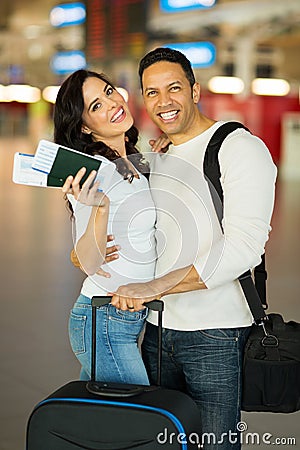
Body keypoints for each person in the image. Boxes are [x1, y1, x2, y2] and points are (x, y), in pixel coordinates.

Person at [107, 48, 278, 448]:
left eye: (174, 89)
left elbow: (245, 246)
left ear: (195, 90)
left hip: (216, 333)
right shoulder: (159, 155)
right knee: (161, 441)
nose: (163, 102)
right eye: (152, 92)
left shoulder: (239, 148)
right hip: (156, 330)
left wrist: (156, 287)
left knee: (216, 444)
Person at [54, 69, 167, 385]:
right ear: (85, 127)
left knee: (101, 422)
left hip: (125, 317)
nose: (112, 103)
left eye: (107, 91)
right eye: (96, 106)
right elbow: (88, 261)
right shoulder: (94, 170)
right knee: (136, 420)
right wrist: (100, 209)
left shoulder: (131, 160)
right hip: (104, 316)